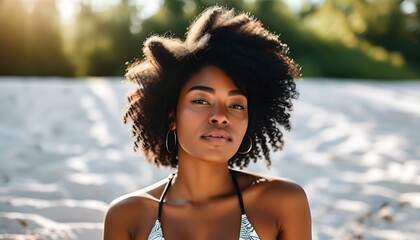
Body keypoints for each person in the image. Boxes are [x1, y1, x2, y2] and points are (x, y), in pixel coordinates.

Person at [103, 5, 311, 240]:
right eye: (201, 100)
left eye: (236, 105)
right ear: (172, 116)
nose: (221, 115)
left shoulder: (282, 202)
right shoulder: (128, 216)